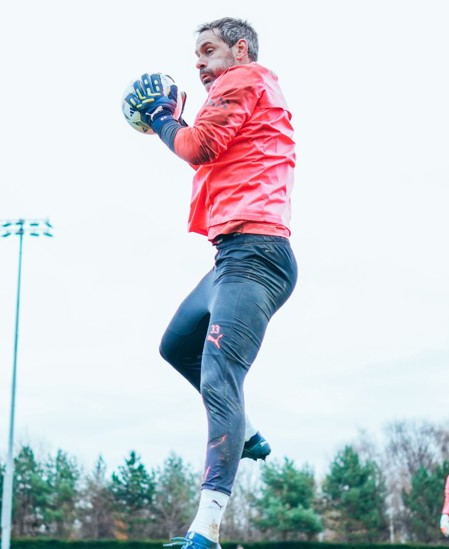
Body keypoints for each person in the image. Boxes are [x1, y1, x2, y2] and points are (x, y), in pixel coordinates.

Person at [125, 17, 297, 549]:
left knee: (221, 376)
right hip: (231, 257)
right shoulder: (240, 90)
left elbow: (198, 146)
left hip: (257, 255)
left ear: (239, 49)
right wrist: (169, 122)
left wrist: (161, 118)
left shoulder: (243, 79)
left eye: (208, 51)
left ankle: (207, 530)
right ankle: (243, 432)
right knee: (178, 346)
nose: (199, 63)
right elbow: (208, 148)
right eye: (195, 54)